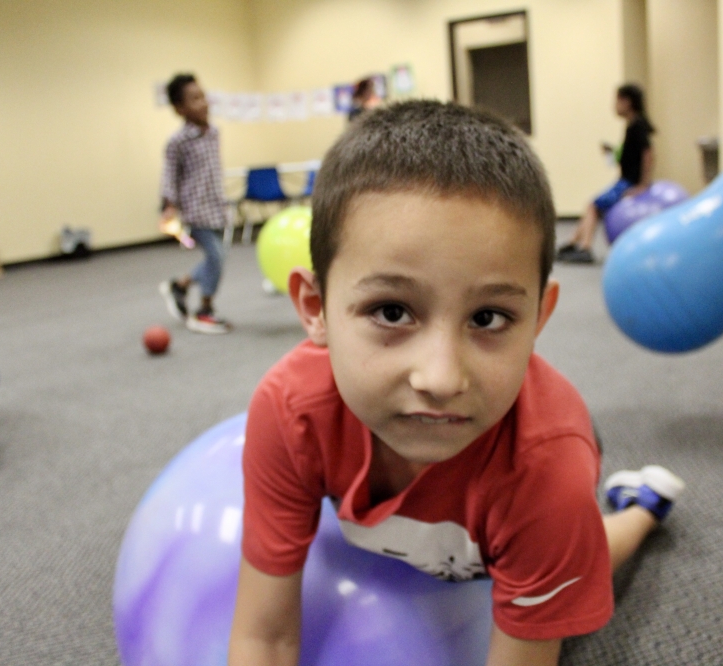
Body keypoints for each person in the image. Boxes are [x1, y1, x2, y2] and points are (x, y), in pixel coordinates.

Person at [228, 100, 685, 666]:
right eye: (392, 312)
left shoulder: (547, 474)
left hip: (533, 479)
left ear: (539, 318)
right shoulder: (289, 410)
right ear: (316, 308)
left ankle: (641, 507)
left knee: (585, 551)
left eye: (489, 318)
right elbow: (264, 639)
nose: (441, 379)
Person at [158, 73, 232, 334]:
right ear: (180, 109)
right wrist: (169, 206)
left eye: (202, 96)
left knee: (217, 258)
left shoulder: (213, 133)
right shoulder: (178, 142)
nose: (202, 103)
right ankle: (204, 310)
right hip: (195, 210)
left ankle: (180, 286)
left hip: (216, 209)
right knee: (217, 257)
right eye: (194, 99)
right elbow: (169, 175)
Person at [557, 84, 656, 264]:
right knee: (593, 204)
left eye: (617, 101)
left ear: (627, 102)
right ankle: (573, 243)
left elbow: (648, 154)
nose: (614, 106)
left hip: (628, 183)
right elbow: (631, 157)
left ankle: (584, 247)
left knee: (593, 206)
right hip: (625, 180)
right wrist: (612, 152)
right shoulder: (632, 126)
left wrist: (642, 185)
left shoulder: (637, 125)